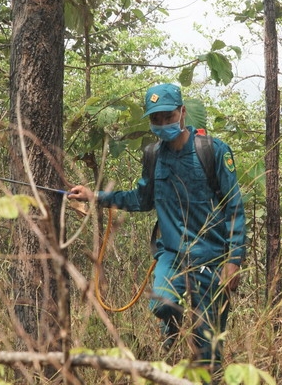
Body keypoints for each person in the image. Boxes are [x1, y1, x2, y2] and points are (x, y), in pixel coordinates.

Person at [68, 83, 247, 374]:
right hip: (171, 255)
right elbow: (141, 199)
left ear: (182, 112)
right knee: (162, 305)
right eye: (156, 119)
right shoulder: (153, 155)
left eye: (168, 116)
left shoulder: (211, 151)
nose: (163, 124)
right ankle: (171, 333)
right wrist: (96, 196)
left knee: (208, 351)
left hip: (212, 260)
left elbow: (235, 208)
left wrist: (234, 261)